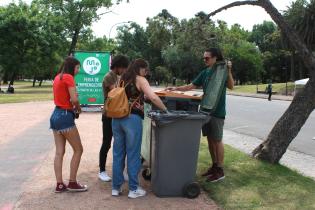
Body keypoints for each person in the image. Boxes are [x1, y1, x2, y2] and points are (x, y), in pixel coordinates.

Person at [166, 48, 234, 182]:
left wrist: (229, 71)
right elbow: (191, 86)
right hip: (205, 110)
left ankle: (220, 170)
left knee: (217, 140)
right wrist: (175, 88)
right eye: (204, 58)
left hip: (217, 112)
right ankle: (214, 166)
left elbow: (231, 86)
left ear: (215, 58)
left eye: (207, 58)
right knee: (209, 139)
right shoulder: (205, 72)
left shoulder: (222, 71)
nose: (205, 60)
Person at [111, 59, 167, 198]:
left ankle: (116, 188)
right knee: (134, 154)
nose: (146, 73)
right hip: (132, 119)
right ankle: (133, 189)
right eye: (146, 70)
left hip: (116, 118)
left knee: (118, 154)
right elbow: (153, 97)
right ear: (141, 69)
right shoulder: (140, 79)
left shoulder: (122, 78)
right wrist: (165, 110)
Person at [50, 56, 88, 193]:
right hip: (65, 116)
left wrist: (72, 100)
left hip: (55, 115)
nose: (78, 70)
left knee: (59, 152)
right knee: (78, 149)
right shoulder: (68, 77)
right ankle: (72, 182)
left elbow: (63, 96)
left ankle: (59, 184)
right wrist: (78, 108)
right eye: (77, 68)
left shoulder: (57, 77)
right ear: (72, 67)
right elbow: (74, 99)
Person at [99, 55, 129, 182]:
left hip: (120, 113)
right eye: (123, 67)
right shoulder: (109, 77)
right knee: (107, 142)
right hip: (109, 114)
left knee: (121, 143)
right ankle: (102, 171)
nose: (124, 70)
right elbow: (117, 93)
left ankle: (121, 171)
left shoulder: (122, 77)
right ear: (118, 66)